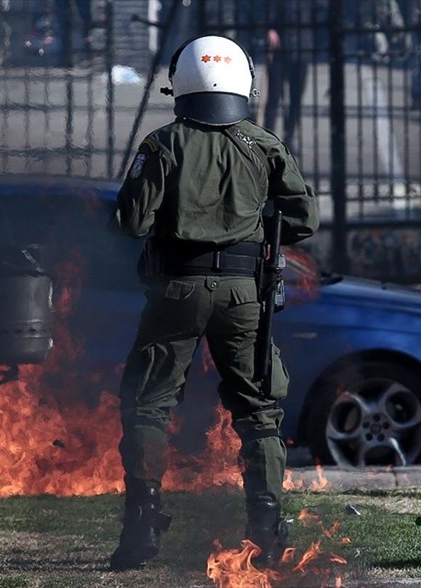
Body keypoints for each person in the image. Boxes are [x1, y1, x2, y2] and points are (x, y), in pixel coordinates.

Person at [106, 35, 320, 571]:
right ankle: (267, 531)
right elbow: (304, 220)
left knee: (149, 404)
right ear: (245, 83)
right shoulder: (264, 145)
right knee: (258, 413)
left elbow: (130, 223)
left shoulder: (162, 144)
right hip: (244, 297)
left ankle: (143, 525)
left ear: (180, 83)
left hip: (176, 289)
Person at [262, 0, 328, 149]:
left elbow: (321, 14)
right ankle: (266, 138)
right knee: (274, 97)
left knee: (295, 98)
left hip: (302, 46)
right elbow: (270, 10)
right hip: (281, 47)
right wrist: (270, 28)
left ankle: (289, 138)